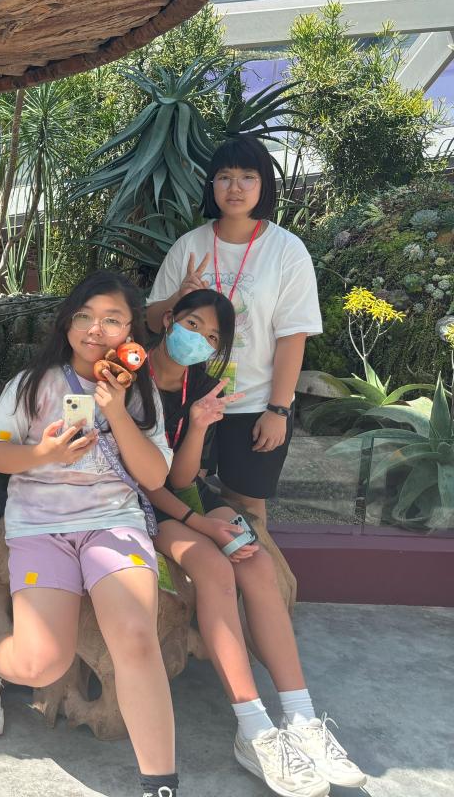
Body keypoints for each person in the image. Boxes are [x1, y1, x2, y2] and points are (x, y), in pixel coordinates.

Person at [0, 271, 181, 797]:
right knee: (42, 662)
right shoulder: (32, 384)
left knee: (135, 637)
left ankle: (160, 784)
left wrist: (115, 410)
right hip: (42, 525)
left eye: (112, 320)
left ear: (131, 332)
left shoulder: (140, 393)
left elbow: (155, 476)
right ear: (66, 324)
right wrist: (45, 453)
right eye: (84, 316)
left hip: (113, 523)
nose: (95, 329)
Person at [146, 289, 364, 796]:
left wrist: (198, 424)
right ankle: (253, 728)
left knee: (256, 560)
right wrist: (203, 527)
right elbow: (148, 482)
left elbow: (184, 478)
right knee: (215, 568)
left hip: (183, 492)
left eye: (212, 337)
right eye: (193, 325)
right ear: (170, 319)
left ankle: (301, 718)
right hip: (140, 502)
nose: (200, 339)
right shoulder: (128, 375)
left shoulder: (202, 385)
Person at [146, 134, 322, 525]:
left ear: (264, 185)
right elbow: (153, 320)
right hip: (188, 399)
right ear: (212, 185)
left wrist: (278, 410)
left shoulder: (286, 250)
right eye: (224, 177)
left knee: (248, 509)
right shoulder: (189, 246)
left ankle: (253, 564)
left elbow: (293, 336)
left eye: (247, 177)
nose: (235, 187)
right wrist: (178, 296)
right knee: (186, 495)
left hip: (254, 404)